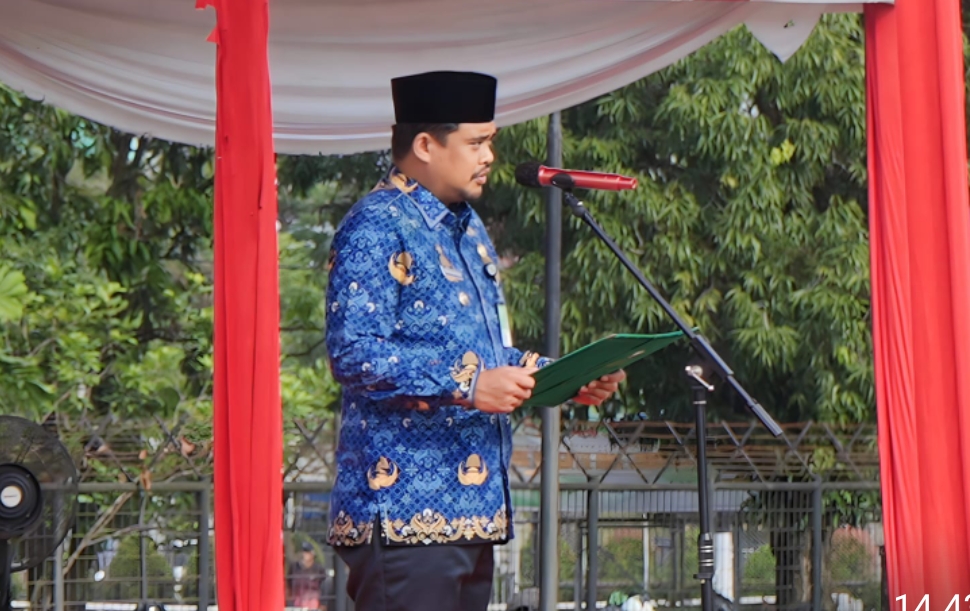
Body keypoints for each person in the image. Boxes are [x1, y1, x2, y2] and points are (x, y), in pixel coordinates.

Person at [324, 70, 625, 611]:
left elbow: (485, 359)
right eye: (476, 143)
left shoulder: (467, 230)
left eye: (491, 142)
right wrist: (467, 384)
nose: (489, 157)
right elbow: (354, 352)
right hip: (403, 513)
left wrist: (564, 377)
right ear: (425, 145)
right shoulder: (377, 224)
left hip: (473, 513)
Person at [287, 541, 327, 610]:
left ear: (312, 554)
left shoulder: (319, 569)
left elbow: (324, 588)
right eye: (303, 552)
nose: (304, 555)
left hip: (313, 605)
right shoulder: (294, 567)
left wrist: (323, 604)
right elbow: (289, 585)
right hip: (296, 604)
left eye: (307, 552)